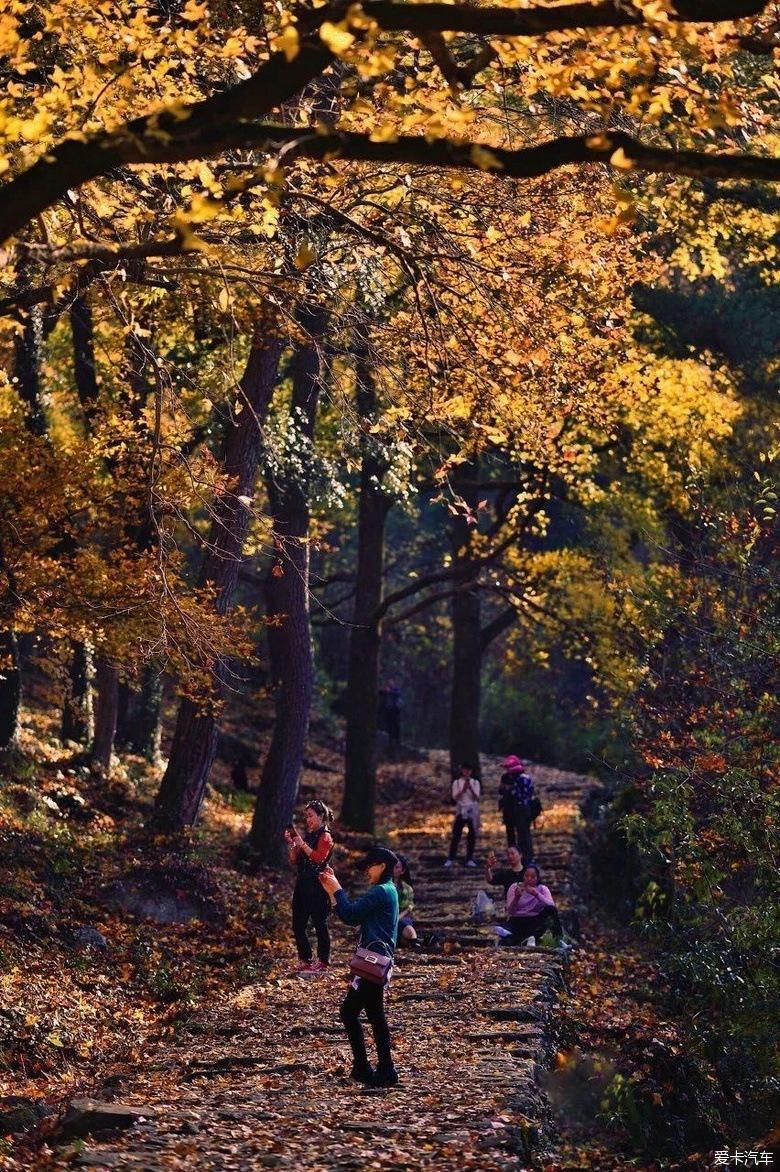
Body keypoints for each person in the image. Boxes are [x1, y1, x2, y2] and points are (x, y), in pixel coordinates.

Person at [319, 846, 400, 1088]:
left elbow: (351, 915)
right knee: (374, 1015)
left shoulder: (380, 892)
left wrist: (336, 889)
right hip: (375, 962)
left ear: (382, 866)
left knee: (350, 1012)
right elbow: (351, 914)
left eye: (370, 866)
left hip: (372, 963)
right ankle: (380, 1068)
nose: (366, 871)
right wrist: (333, 892)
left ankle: (369, 1068)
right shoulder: (389, 891)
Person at [284, 799, 334, 974]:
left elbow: (319, 858)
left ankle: (323, 960)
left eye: (311, 816)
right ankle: (305, 958)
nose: (308, 820)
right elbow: (294, 859)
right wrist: (292, 843)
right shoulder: (309, 835)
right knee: (298, 923)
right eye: (306, 816)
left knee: (320, 922)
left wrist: (302, 844)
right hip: (303, 883)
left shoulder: (325, 836)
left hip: (318, 884)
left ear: (321, 816)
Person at [502, 863, 563, 946]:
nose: (529, 879)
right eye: (526, 876)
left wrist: (536, 894)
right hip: (518, 920)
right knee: (506, 935)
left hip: (535, 920)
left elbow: (551, 905)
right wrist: (516, 897)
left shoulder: (542, 889)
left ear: (537, 878)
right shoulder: (514, 887)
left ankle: (558, 939)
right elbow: (510, 911)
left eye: (533, 877)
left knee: (550, 910)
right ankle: (522, 939)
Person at [498, 755, 536, 859]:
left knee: (523, 834)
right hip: (509, 810)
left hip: (521, 810)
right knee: (510, 834)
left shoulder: (524, 779)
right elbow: (501, 791)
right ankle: (513, 855)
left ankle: (527, 856)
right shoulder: (505, 777)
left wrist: (510, 789)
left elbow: (522, 795)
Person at [444, 763, 481, 868]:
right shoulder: (456, 783)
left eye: (469, 770)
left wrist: (470, 788)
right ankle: (451, 858)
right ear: (462, 771)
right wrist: (464, 789)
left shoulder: (475, 782)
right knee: (456, 834)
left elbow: (477, 797)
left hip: (472, 809)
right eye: (465, 770)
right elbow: (455, 797)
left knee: (472, 835)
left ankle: (470, 858)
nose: (467, 772)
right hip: (461, 809)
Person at [394, 854, 419, 947]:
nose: (393, 869)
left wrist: (398, 917)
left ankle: (414, 943)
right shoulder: (382, 887)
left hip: (402, 916)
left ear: (403, 870)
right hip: (386, 916)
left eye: (397, 867)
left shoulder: (407, 888)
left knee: (408, 931)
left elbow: (409, 906)